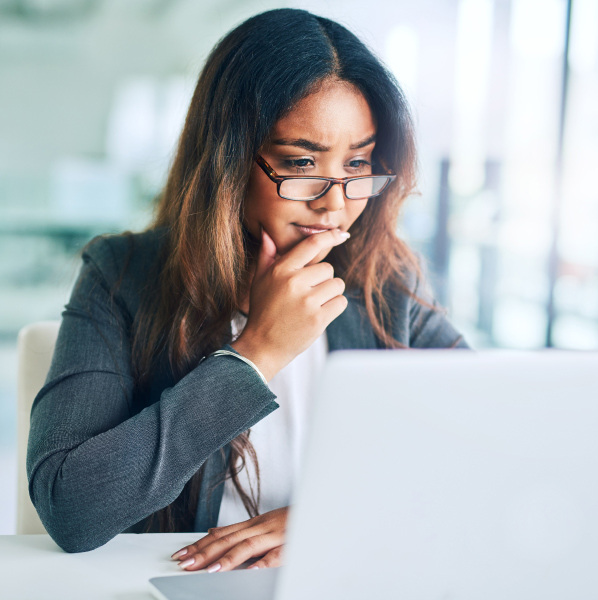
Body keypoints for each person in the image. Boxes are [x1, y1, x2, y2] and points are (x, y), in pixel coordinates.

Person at [27, 8, 468, 571]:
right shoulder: (121, 275)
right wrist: (257, 354)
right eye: (302, 162)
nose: (335, 202)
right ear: (229, 160)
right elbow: (71, 509)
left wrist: (332, 518)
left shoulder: (385, 284)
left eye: (358, 163)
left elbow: (489, 449)